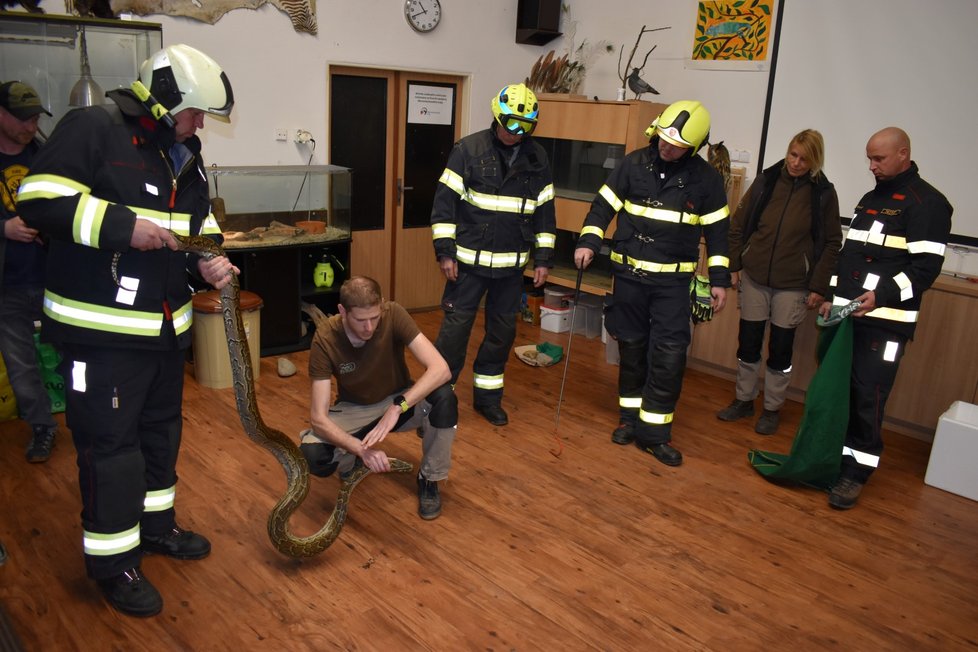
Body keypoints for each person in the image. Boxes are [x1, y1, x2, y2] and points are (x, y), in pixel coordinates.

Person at [16, 44, 237, 617]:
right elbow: (37, 199)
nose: (199, 125)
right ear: (165, 101)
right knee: (112, 452)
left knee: (161, 439)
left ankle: (155, 529)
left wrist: (208, 261)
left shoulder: (184, 154)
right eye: (195, 113)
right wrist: (122, 227)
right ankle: (113, 565)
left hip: (165, 334)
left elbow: (199, 228)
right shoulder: (94, 128)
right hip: (102, 337)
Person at [574, 100, 731, 467]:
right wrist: (587, 241)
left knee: (669, 355)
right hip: (629, 277)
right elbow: (602, 206)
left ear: (693, 147)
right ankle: (629, 419)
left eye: (675, 144)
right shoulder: (633, 164)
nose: (666, 146)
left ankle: (654, 434)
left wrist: (719, 280)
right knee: (630, 347)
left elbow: (719, 236)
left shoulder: (706, 181)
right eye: (663, 137)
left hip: (672, 286)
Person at [820, 127, 951, 510]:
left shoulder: (927, 203)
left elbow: (925, 271)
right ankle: (838, 458)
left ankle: (856, 472)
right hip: (848, 316)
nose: (872, 166)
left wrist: (880, 297)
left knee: (868, 395)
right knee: (844, 391)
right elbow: (849, 257)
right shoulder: (871, 197)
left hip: (887, 324)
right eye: (869, 159)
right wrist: (832, 296)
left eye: (878, 159)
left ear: (903, 154)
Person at [430, 82, 556, 426]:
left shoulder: (537, 158)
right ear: (497, 117)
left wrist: (543, 259)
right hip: (467, 266)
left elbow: (545, 211)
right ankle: (438, 401)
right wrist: (446, 253)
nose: (517, 133)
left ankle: (487, 399)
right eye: (512, 124)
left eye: (526, 127)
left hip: (511, 270)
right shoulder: (468, 150)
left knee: (502, 336)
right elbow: (444, 207)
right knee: (454, 335)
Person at [299, 276, 457, 521]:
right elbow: (318, 418)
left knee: (445, 397)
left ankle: (429, 478)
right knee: (313, 457)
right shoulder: (325, 338)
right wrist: (362, 450)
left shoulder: (393, 313)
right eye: (361, 320)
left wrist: (398, 407)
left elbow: (441, 369)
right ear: (342, 311)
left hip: (398, 399)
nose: (369, 328)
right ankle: (351, 461)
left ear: (382, 305)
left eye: (375, 318)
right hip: (355, 408)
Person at [717, 129, 843, 435]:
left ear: (815, 160)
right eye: (793, 154)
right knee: (748, 342)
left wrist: (818, 286)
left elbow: (831, 243)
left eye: (804, 158)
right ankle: (744, 400)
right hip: (755, 277)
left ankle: (772, 407)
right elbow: (738, 225)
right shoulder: (766, 181)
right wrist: (733, 265)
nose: (796, 163)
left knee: (780, 350)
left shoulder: (823, 193)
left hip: (794, 284)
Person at [0, 80, 59, 463]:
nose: (30, 124)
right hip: (8, 285)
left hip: (54, 279)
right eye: (23, 118)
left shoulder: (47, 157)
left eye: (35, 117)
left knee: (73, 353)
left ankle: (90, 419)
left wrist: (50, 229)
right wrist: (3, 228)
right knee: (19, 363)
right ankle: (42, 427)